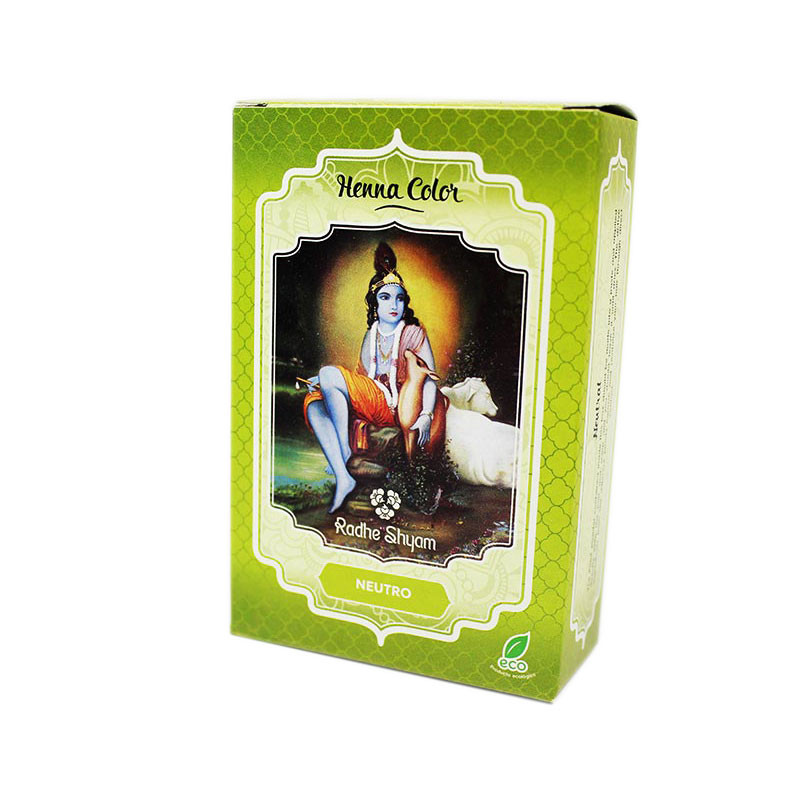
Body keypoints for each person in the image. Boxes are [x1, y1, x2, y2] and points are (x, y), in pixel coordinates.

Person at [304, 241, 439, 513]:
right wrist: (328, 384)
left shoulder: (414, 333)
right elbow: (361, 378)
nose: (394, 305)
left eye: (399, 298)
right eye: (385, 298)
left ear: (405, 303)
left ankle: (344, 453)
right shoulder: (371, 334)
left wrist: (425, 414)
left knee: (328, 373)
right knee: (313, 402)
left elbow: (430, 380)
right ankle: (344, 477)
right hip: (372, 401)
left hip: (398, 407)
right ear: (375, 304)